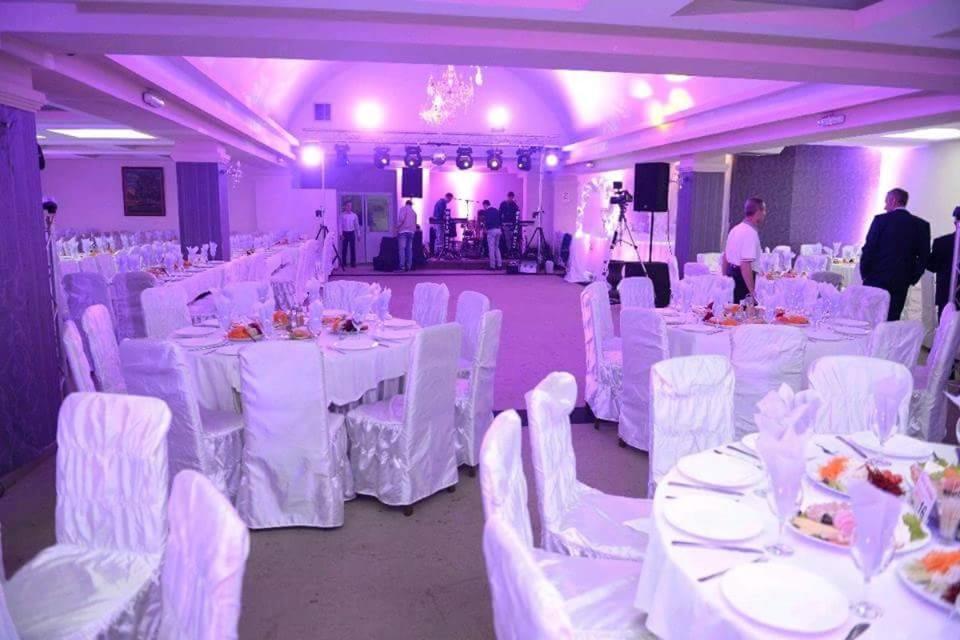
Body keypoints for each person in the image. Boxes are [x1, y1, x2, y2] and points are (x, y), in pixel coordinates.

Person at [860, 188, 931, 321]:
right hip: (901, 281)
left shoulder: (880, 220)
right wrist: (911, 278)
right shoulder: (921, 225)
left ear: (893, 200)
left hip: (875, 278)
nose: (885, 206)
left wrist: (865, 274)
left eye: (886, 202)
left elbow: (869, 249)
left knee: (869, 319)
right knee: (892, 319)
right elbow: (924, 257)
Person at [721, 197, 766, 303]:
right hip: (742, 282)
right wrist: (752, 292)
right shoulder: (750, 233)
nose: (765, 214)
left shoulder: (735, 229)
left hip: (732, 277)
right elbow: (745, 264)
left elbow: (725, 257)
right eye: (764, 211)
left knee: (733, 310)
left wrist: (724, 280)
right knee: (744, 312)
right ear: (758, 212)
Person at [926, 206, 960, 318]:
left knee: (946, 326)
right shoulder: (941, 242)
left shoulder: (941, 242)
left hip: (946, 295)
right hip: (946, 296)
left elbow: (932, 266)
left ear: (955, 222)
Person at [480, 199, 502, 269]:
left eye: (483, 206)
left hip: (491, 230)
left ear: (485, 204)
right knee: (497, 248)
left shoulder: (486, 212)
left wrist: (485, 229)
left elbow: (486, 222)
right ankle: (499, 265)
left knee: (491, 248)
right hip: (498, 230)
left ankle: (492, 266)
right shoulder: (496, 210)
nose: (483, 207)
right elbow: (500, 219)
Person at [396, 199, 417, 272]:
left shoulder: (403, 209)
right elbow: (415, 224)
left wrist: (397, 227)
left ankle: (402, 267)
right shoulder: (414, 212)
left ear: (406, 204)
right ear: (411, 204)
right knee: (409, 249)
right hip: (411, 232)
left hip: (403, 231)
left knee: (402, 249)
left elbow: (401, 219)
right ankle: (409, 266)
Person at [499, 191, 520, 256]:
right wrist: (500, 223)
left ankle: (511, 251)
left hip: (512, 224)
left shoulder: (514, 204)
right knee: (507, 238)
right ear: (507, 197)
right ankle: (509, 251)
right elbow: (500, 214)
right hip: (505, 224)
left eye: (512, 198)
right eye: (510, 197)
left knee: (512, 238)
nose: (511, 199)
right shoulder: (503, 204)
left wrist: (515, 223)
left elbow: (517, 213)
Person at [340, 201, 359, 268]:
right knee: (344, 249)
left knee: (352, 248)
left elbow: (356, 225)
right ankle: (344, 263)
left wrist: (358, 234)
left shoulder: (354, 215)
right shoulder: (342, 215)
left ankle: (353, 263)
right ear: (345, 206)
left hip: (352, 233)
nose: (349, 207)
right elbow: (340, 225)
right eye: (348, 206)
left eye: (350, 206)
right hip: (344, 233)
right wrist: (341, 234)